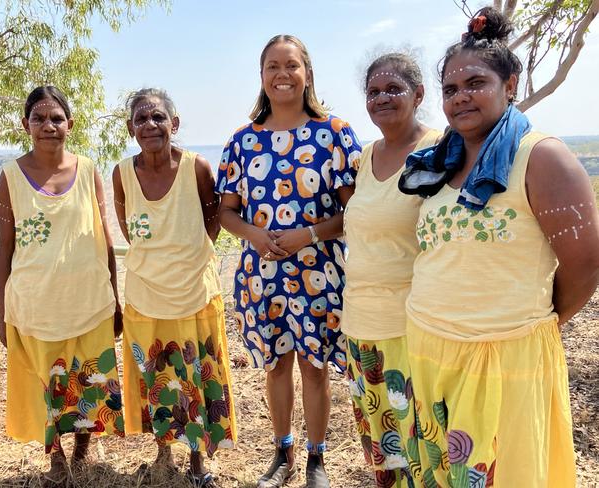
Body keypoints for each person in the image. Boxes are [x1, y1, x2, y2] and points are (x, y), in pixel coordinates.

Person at [398, 7, 599, 487]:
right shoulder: (439, 164)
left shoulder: (541, 157)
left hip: (501, 361)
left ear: (510, 86)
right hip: (428, 348)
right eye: (450, 89)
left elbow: (587, 265)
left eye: (475, 83)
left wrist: (523, 322)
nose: (461, 97)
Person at [216, 34, 361, 488]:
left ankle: (317, 460)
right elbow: (225, 212)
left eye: (292, 65)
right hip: (262, 273)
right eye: (273, 67)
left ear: (308, 73)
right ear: (261, 77)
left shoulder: (335, 133)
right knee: (276, 365)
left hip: (319, 272)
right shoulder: (242, 141)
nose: (282, 75)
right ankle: (283, 454)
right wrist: (256, 234)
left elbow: (353, 211)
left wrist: (309, 234)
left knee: (314, 366)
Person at [0, 86, 124, 487]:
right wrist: (3, 312)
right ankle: (55, 457)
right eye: (39, 118)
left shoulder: (88, 170)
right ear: (26, 125)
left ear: (70, 123)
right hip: (35, 305)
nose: (48, 126)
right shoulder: (10, 178)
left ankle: (84, 443)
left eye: (56, 119)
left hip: (89, 301)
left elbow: (104, 237)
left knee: (87, 377)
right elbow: (5, 250)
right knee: (45, 383)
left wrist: (115, 297)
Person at [113, 88, 236, 488]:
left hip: (193, 297)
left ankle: (198, 460)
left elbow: (212, 219)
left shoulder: (196, 168)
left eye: (158, 118)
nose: (150, 125)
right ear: (131, 129)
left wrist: (190, 258)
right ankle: (163, 453)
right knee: (156, 377)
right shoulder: (122, 174)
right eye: (141, 119)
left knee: (194, 379)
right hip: (145, 298)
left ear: (174, 124)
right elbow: (131, 230)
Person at [341, 53, 440, 488]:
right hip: (360, 326)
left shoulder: (440, 151)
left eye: (393, 90)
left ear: (418, 95)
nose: (382, 98)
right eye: (373, 92)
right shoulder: (367, 156)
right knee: (385, 450)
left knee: (424, 448)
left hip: (411, 329)